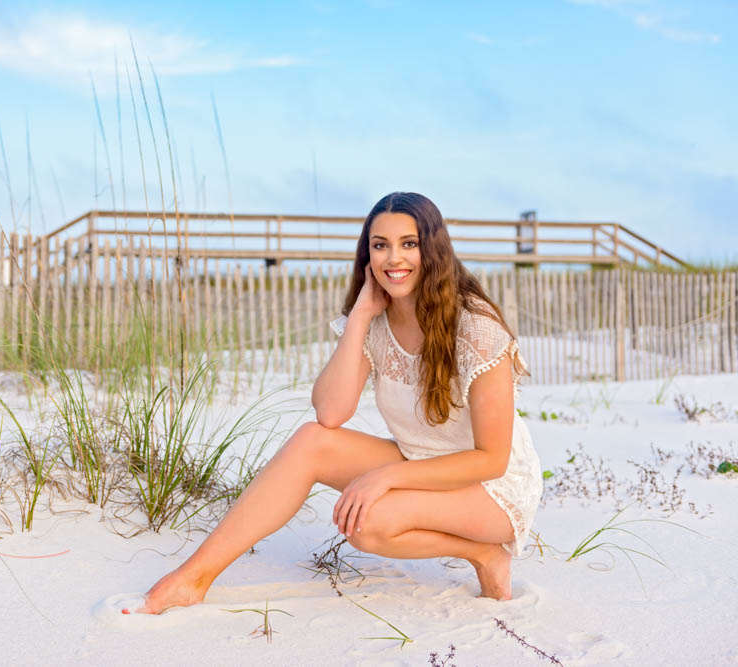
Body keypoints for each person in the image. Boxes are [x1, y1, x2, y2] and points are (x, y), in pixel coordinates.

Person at [126, 192, 542, 615]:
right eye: (380, 245)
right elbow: (329, 413)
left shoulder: (475, 326)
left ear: (433, 249)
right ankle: (194, 577)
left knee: (368, 521)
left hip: (491, 489)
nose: (393, 258)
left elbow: (491, 459)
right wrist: (361, 317)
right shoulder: (375, 318)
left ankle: (486, 553)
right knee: (312, 441)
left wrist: (386, 478)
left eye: (408, 243)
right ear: (367, 254)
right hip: (418, 461)